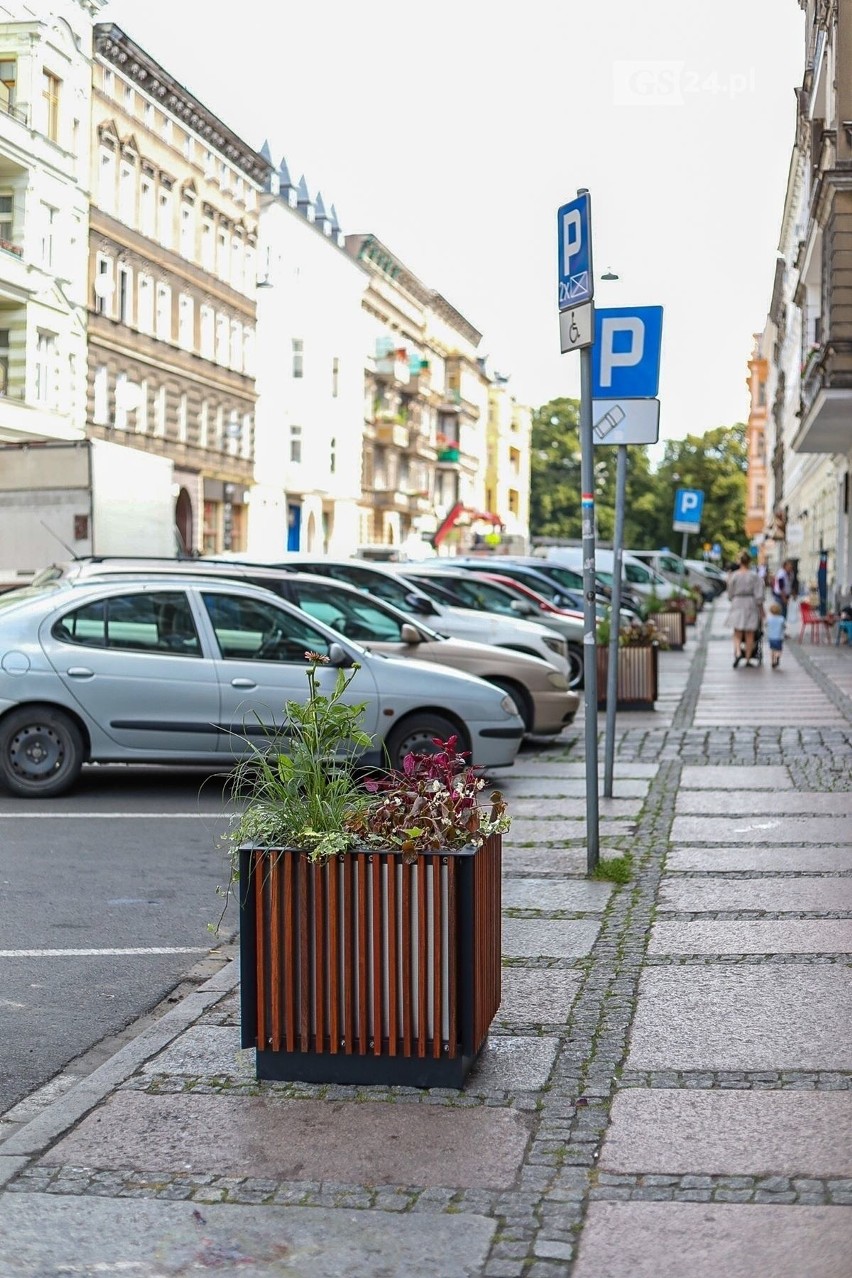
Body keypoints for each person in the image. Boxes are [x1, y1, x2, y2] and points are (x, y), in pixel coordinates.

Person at [728, 551, 764, 667]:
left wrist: (732, 598)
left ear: (740, 562)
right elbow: (759, 594)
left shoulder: (734, 575)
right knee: (750, 632)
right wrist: (762, 609)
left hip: (737, 602)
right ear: (749, 562)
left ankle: (738, 652)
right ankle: (748, 659)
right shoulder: (754, 576)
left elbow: (730, 593)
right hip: (750, 603)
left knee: (737, 631)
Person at [765, 601, 786, 669]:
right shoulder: (781, 618)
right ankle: (777, 657)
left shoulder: (769, 619)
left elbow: (766, 624)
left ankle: (772, 661)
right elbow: (784, 626)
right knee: (779, 650)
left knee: (772, 650)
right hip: (779, 638)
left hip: (771, 637)